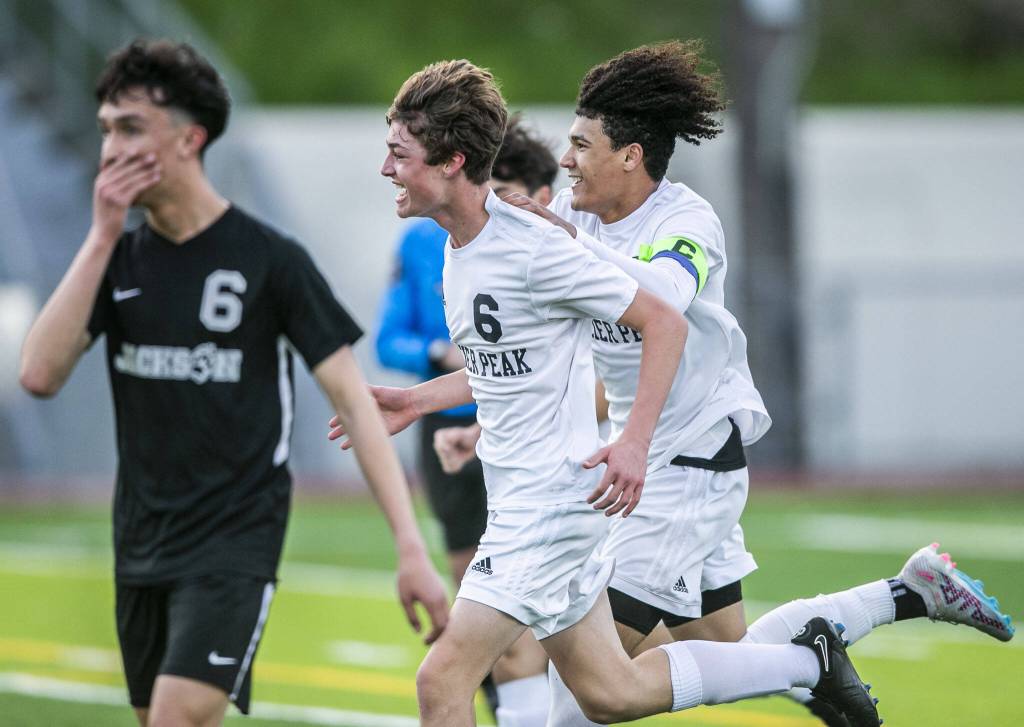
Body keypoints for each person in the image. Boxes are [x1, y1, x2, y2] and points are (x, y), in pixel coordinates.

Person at [331, 57, 882, 727]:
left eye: (398, 152)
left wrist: (632, 444)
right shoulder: (468, 246)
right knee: (609, 692)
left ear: (449, 160)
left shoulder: (549, 242)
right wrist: (417, 399)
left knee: (443, 681)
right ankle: (808, 661)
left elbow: (665, 316)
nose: (386, 168)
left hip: (576, 498)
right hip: (538, 498)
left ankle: (848, 629)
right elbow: (518, 368)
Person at [491, 41, 1014, 726]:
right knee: (729, 652)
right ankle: (905, 593)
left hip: (683, 465)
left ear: (631, 155)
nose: (566, 160)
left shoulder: (685, 221)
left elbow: (664, 300)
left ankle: (816, 658)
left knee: (594, 691)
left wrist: (569, 242)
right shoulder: (579, 214)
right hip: (660, 462)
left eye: (582, 144)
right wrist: (436, 396)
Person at [18, 39, 448, 727]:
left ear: (188, 138)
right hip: (140, 540)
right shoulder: (117, 257)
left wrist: (410, 548)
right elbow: (38, 374)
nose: (110, 149)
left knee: (176, 718)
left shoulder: (269, 260)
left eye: (130, 128)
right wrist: (100, 237)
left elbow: (354, 403)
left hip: (234, 541)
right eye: (105, 131)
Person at [374, 114, 557, 723]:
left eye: (510, 191)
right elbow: (387, 341)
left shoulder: (547, 247)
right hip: (450, 430)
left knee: (573, 651)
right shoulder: (426, 243)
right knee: (480, 625)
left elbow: (588, 353)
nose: (496, 203)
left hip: (531, 439)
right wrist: (436, 357)